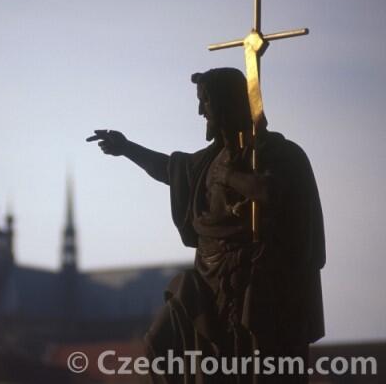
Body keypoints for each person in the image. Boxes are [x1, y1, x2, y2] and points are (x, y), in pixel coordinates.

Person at [87, 67, 325, 383]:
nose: (201, 111)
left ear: (227, 103)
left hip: (256, 284)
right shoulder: (209, 160)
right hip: (207, 280)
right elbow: (169, 169)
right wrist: (127, 148)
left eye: (206, 101)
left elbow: (272, 193)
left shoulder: (277, 153)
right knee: (160, 346)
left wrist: (229, 177)